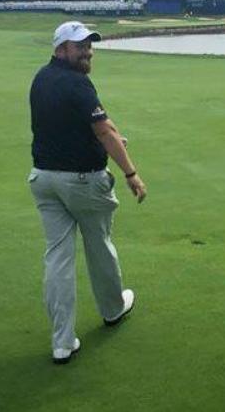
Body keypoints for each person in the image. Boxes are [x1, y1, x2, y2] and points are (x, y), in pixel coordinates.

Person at [28, 21, 147, 365]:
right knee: (100, 246)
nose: (87, 51)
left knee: (58, 258)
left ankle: (62, 342)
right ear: (61, 48)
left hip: (44, 180)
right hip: (81, 183)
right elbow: (105, 132)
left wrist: (106, 141)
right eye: (79, 46)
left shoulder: (41, 78)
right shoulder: (78, 84)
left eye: (89, 45)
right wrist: (131, 173)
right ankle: (112, 309)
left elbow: (69, 127)